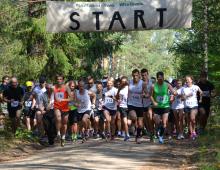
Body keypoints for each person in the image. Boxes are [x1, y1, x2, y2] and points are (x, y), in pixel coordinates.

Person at [150, 71, 176, 144]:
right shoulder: (153, 86)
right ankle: (157, 133)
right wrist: (154, 102)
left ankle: (161, 136)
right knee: (157, 122)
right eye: (159, 79)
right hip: (157, 106)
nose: (160, 80)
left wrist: (172, 96)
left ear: (163, 78)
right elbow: (150, 95)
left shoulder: (167, 85)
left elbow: (174, 92)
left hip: (165, 106)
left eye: (161, 78)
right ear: (157, 78)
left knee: (164, 123)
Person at [53, 74, 72, 146]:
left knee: (64, 123)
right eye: (58, 79)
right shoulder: (53, 87)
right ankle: (58, 133)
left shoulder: (66, 87)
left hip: (65, 107)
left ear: (63, 80)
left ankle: (63, 137)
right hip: (57, 106)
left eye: (60, 79)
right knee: (58, 118)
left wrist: (63, 99)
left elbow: (71, 98)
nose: (59, 80)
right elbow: (49, 94)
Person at [182, 75, 203, 140]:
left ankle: (194, 131)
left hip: (194, 105)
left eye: (188, 79)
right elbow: (182, 98)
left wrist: (200, 99)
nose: (187, 81)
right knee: (188, 121)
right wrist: (185, 96)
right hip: (186, 106)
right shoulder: (183, 88)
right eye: (186, 80)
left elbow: (201, 92)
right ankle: (191, 133)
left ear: (191, 80)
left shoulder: (195, 87)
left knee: (192, 119)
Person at [127, 69, 144, 144]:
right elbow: (121, 86)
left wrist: (144, 95)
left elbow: (147, 93)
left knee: (140, 125)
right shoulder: (129, 82)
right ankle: (133, 123)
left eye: (136, 75)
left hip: (140, 105)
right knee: (134, 117)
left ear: (139, 75)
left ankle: (138, 136)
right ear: (132, 75)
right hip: (131, 103)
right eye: (134, 75)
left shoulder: (142, 83)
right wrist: (118, 93)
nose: (135, 77)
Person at [141, 68, 154, 141]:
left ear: (147, 74)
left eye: (145, 75)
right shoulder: (140, 83)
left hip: (150, 103)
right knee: (145, 120)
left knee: (150, 117)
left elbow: (151, 93)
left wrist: (146, 94)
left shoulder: (151, 83)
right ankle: (150, 132)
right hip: (142, 103)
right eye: (142, 75)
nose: (144, 77)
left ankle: (152, 132)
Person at [115, 76, 130, 141]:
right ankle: (127, 134)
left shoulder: (129, 88)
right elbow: (117, 97)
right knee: (124, 121)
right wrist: (118, 90)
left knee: (129, 122)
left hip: (130, 106)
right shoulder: (120, 89)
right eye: (122, 81)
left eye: (125, 81)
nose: (123, 83)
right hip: (122, 106)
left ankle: (127, 132)